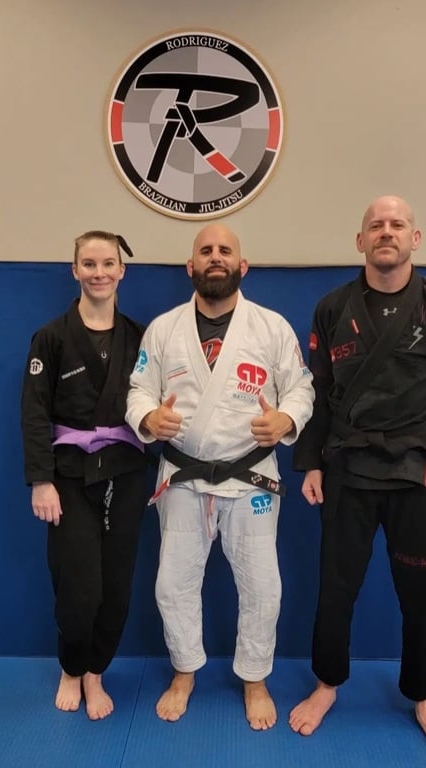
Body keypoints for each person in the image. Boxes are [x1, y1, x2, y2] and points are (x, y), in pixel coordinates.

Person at [288, 196, 426, 761]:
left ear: (414, 238)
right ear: (361, 241)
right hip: (347, 470)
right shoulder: (333, 308)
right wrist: (310, 461)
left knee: (422, 595)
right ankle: (327, 684)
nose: (387, 232)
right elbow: (318, 392)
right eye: (376, 225)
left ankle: (425, 700)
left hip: (416, 473)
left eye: (397, 224)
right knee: (335, 589)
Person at [125, 223, 314, 730]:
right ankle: (184, 671)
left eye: (225, 250)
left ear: (241, 265)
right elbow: (138, 389)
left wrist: (286, 419)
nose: (216, 257)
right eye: (205, 250)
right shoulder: (163, 329)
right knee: (172, 585)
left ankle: (255, 678)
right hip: (183, 476)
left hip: (250, 478)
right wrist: (148, 418)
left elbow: (302, 388)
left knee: (263, 588)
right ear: (190, 267)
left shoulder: (271, 327)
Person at [21, 230, 147, 720]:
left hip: (126, 471)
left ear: (122, 271)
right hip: (70, 476)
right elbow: (34, 412)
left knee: (116, 586)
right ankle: (71, 667)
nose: (99, 273)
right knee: (78, 587)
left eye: (108, 263)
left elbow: (154, 403)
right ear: (74, 270)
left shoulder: (140, 336)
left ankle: (96, 671)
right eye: (89, 264)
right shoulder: (51, 337)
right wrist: (41, 480)